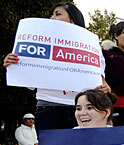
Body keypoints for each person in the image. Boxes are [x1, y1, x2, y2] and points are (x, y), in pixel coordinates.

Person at [3, 2, 111, 130]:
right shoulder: (39, 42)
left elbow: (100, 81)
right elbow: (30, 84)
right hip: (48, 107)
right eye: (52, 15)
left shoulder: (92, 46)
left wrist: (105, 87)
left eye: (58, 14)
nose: (52, 18)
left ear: (73, 20)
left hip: (82, 110)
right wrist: (16, 66)